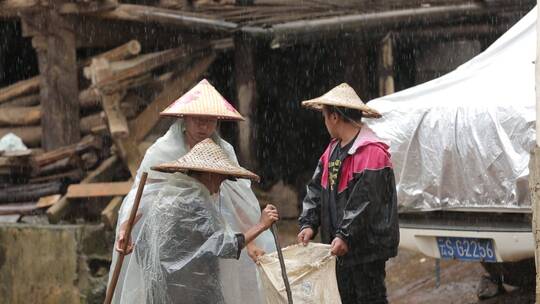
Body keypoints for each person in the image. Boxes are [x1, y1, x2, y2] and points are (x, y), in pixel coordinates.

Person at [108, 79, 275, 303]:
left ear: (217, 121)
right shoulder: (163, 152)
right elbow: (142, 197)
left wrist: (252, 243)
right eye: (197, 120)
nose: (203, 127)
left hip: (208, 245)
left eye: (209, 121)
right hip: (173, 241)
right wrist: (125, 230)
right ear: (184, 118)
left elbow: (238, 201)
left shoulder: (224, 152)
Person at [120, 138, 279, 304]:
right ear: (211, 175)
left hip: (162, 289)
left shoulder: (169, 196)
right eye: (221, 179)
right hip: (189, 292)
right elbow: (225, 246)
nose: (220, 186)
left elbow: (143, 250)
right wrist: (261, 225)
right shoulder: (195, 203)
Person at [297, 83, 399, 304]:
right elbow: (316, 188)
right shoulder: (332, 150)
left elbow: (366, 203)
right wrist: (309, 223)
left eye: (325, 116)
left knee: (370, 299)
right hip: (338, 249)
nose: (324, 122)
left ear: (334, 117)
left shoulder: (372, 152)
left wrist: (345, 235)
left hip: (366, 250)